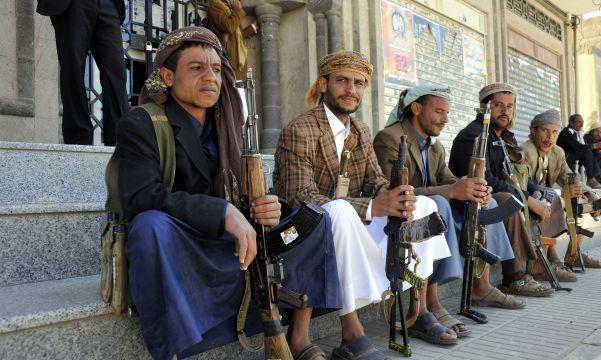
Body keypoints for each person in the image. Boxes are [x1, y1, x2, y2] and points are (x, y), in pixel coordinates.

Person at [115, 27, 341, 360]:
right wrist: (221, 213)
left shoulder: (228, 125)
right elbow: (142, 196)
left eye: (217, 69)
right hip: (186, 244)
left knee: (313, 221)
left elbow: (251, 193)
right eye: (196, 68)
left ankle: (299, 337)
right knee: (149, 227)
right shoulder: (142, 122)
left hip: (233, 243)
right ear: (167, 75)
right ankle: (171, 351)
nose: (210, 77)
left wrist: (270, 206)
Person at [274, 51, 455, 356]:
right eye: (342, 81)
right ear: (323, 84)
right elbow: (300, 196)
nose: (351, 90)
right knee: (342, 211)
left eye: (359, 83)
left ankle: (418, 310)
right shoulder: (300, 129)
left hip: (348, 224)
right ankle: (350, 332)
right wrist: (372, 208)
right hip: (302, 230)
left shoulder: (359, 130)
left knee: (424, 205)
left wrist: (397, 195)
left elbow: (375, 180)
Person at [373, 85, 523, 338]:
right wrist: (452, 191)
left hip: (429, 215)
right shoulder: (389, 138)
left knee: (490, 202)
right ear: (417, 109)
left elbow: (448, 179)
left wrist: (472, 188)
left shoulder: (434, 146)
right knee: (438, 204)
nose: (445, 119)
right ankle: (431, 302)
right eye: (439, 112)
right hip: (399, 218)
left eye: (447, 113)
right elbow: (394, 193)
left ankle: (482, 286)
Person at [449, 83, 555, 298]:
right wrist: (527, 200)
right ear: (483, 107)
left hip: (493, 193)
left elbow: (512, 174)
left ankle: (548, 261)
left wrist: (537, 193)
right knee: (508, 201)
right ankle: (514, 278)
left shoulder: (501, 136)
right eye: (498, 105)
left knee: (552, 197)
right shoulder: (474, 135)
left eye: (509, 106)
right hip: (470, 200)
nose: (505, 111)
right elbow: (487, 179)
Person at [522, 109, 601, 273]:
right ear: (533, 131)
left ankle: (573, 254)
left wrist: (591, 193)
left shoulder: (557, 152)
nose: (550, 137)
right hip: (532, 202)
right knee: (553, 197)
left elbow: (569, 176)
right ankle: (548, 261)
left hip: (548, 199)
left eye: (554, 132)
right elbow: (524, 185)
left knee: (589, 202)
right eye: (545, 131)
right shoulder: (525, 150)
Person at [36, 0, 129, 145]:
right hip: (73, 4)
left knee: (117, 72)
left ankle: (118, 139)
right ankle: (78, 138)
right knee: (73, 69)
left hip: (108, 4)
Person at [206, 0, 258, 80]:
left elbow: (238, 36)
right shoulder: (215, 7)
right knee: (231, 91)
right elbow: (229, 27)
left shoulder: (230, 10)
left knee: (239, 91)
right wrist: (237, 10)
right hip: (228, 62)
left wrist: (253, 27)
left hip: (237, 65)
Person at [556, 114, 601, 189]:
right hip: (565, 160)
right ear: (571, 123)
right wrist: (595, 146)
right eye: (579, 122)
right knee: (586, 151)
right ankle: (592, 181)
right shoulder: (566, 132)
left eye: (582, 122)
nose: (581, 124)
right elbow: (578, 147)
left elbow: (584, 147)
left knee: (599, 154)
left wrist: (599, 150)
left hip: (576, 158)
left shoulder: (579, 133)